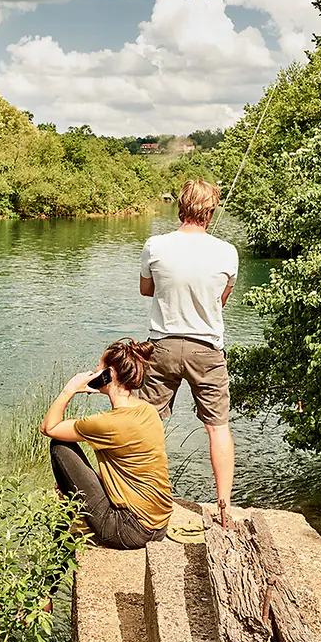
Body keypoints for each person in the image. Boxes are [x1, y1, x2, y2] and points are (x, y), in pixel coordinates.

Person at [136, 179, 239, 523]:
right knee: (218, 426)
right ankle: (224, 506)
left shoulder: (155, 245)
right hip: (207, 351)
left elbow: (145, 290)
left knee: (146, 421)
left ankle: (138, 495)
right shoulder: (227, 251)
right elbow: (220, 301)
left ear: (180, 207)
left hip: (161, 347)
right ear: (210, 211)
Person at [39, 338, 173, 549]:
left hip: (128, 530)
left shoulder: (107, 423)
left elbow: (48, 427)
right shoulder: (147, 410)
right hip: (159, 527)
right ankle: (68, 529)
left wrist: (70, 389)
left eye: (98, 367)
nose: (94, 371)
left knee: (60, 446)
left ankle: (61, 543)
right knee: (71, 470)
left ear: (108, 374)